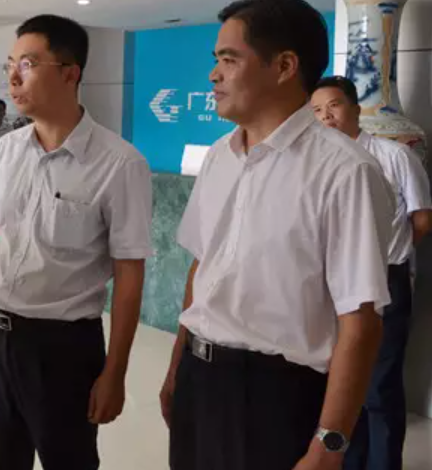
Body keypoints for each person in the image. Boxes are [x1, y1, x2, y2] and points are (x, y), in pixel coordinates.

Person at [160, 2, 396, 470]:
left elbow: (360, 320)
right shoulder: (219, 156)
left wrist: (330, 443)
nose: (213, 75)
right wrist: (175, 372)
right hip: (198, 379)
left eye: (229, 59)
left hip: (275, 396)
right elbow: (202, 269)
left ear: (285, 66)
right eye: (216, 60)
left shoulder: (345, 171)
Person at [0, 15, 152, 470]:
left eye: (27, 64)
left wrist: (115, 372)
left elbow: (129, 273)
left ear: (70, 73)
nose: (12, 77)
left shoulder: (119, 164)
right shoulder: (7, 150)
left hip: (61, 351)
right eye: (10, 64)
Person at [312, 76, 432, 470]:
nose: (325, 116)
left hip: (385, 279)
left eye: (333, 106)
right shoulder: (318, 162)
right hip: (334, 282)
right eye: (317, 110)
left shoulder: (394, 155)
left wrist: (389, 257)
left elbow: (421, 218)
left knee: (379, 385)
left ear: (355, 108)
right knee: (345, 380)